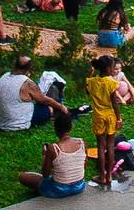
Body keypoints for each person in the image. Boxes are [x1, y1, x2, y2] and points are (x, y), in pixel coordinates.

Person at [18, 113, 87, 199]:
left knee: (23, 177)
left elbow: (45, 174)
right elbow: (84, 167)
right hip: (79, 186)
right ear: (71, 127)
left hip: (58, 190)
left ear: (55, 129)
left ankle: (45, 190)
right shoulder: (82, 143)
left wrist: (45, 156)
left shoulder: (53, 148)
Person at [0, 56, 68, 131]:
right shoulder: (27, 83)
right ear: (29, 69)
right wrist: (61, 107)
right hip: (14, 123)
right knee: (49, 109)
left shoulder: (4, 76)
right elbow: (44, 100)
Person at [86, 55, 124, 188]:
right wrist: (118, 118)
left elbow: (87, 91)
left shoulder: (91, 82)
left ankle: (102, 176)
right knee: (110, 146)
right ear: (108, 68)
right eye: (113, 67)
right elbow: (115, 104)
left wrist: (89, 73)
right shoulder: (111, 82)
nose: (113, 70)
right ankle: (109, 176)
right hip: (110, 116)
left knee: (101, 147)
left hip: (98, 117)